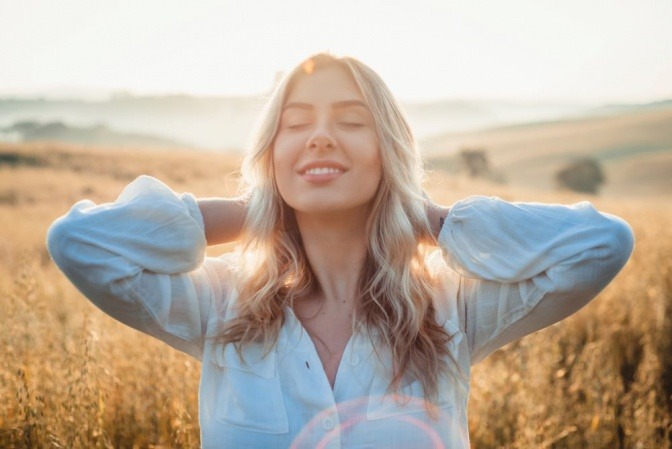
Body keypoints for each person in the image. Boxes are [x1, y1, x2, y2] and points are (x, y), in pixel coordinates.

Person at [47, 52, 634, 449]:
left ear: (390, 152)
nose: (320, 136)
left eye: (352, 121)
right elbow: (80, 242)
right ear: (271, 155)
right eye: (295, 123)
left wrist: (421, 216)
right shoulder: (218, 307)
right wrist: (257, 212)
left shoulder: (450, 311)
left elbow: (601, 244)